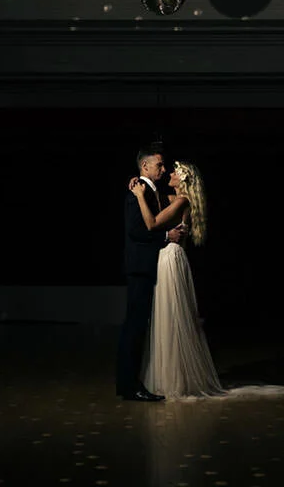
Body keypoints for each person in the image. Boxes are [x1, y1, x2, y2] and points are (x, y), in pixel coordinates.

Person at [131, 160, 224, 398]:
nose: (169, 173)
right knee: (171, 316)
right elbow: (158, 197)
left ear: (183, 179)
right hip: (173, 258)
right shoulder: (178, 199)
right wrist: (142, 186)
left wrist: (140, 196)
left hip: (170, 259)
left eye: (175, 171)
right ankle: (173, 375)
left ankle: (173, 379)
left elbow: (152, 223)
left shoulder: (182, 200)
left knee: (171, 316)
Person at [117, 148, 186, 401]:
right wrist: (166, 236)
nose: (164, 169)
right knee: (134, 327)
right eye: (159, 165)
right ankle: (129, 385)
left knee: (139, 326)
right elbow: (137, 231)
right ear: (144, 167)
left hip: (148, 266)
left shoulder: (150, 192)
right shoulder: (138, 193)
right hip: (140, 267)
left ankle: (133, 383)